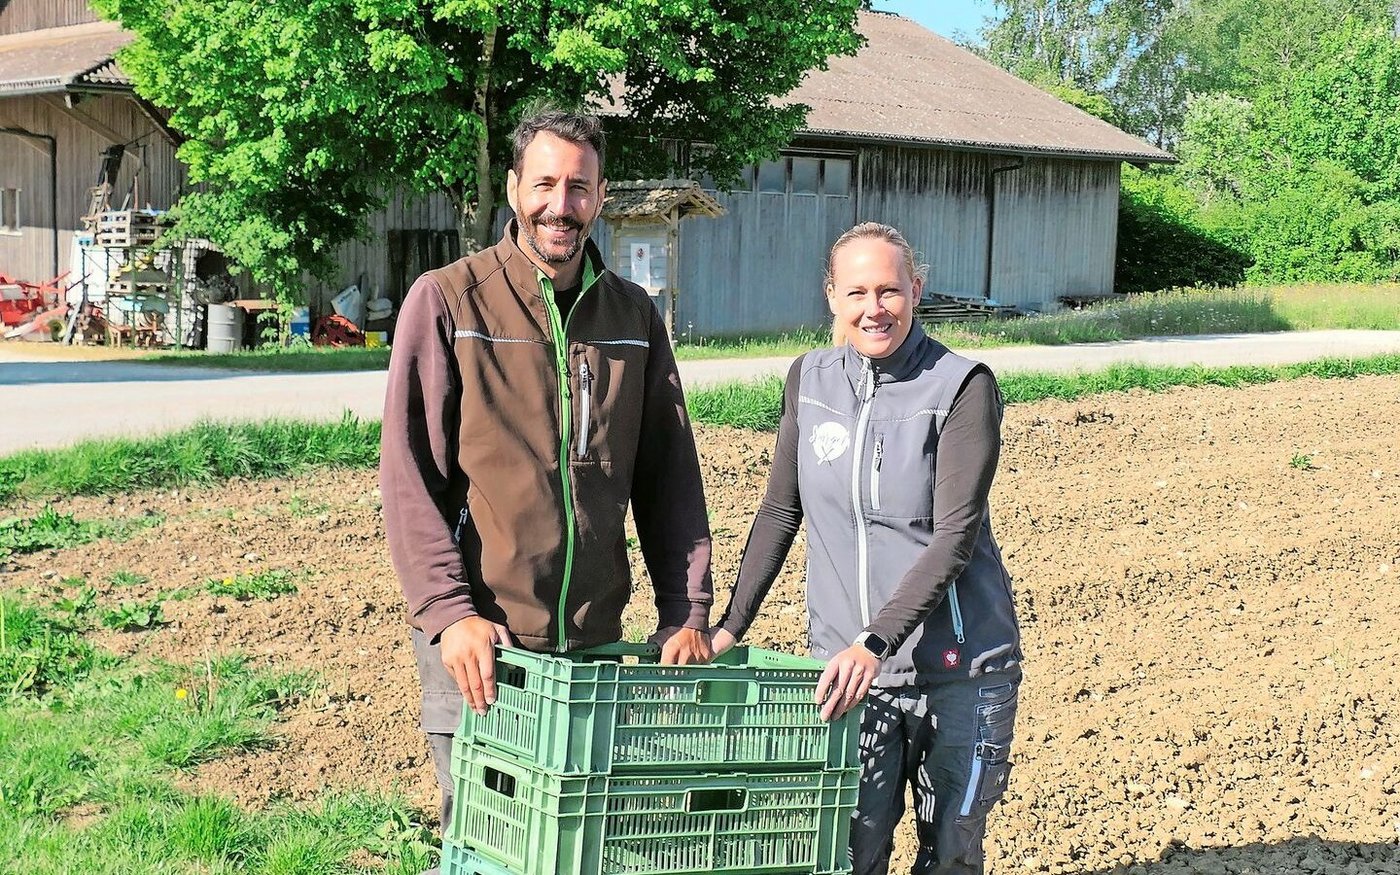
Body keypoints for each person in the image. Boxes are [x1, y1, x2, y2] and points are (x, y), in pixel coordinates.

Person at [380, 105, 714, 839]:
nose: (560, 206)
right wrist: (449, 613)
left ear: (600, 195)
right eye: (545, 184)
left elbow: (669, 480)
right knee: (490, 837)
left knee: (582, 838)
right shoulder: (447, 301)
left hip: (593, 646)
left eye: (579, 187)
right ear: (513, 188)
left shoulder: (633, 317)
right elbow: (410, 480)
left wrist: (685, 610)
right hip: (484, 646)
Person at [711, 222, 1022, 875]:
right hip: (848, 673)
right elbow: (779, 509)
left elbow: (954, 536)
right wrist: (729, 625)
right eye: (856, 292)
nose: (873, 308)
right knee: (849, 853)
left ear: (916, 287)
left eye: (889, 290)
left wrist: (873, 641)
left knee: (950, 854)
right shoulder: (811, 380)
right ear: (832, 297)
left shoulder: (960, 387)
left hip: (956, 670)